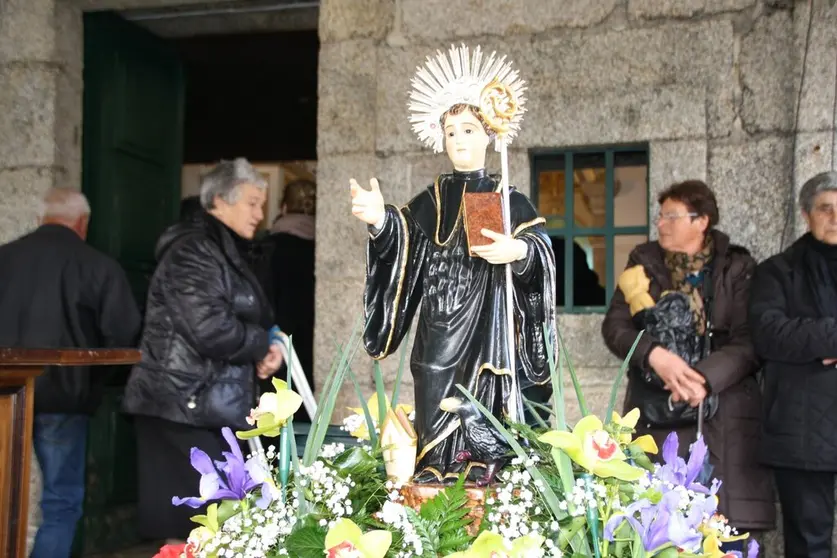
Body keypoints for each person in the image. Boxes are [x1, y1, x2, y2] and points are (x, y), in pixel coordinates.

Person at [349, 45, 557, 484]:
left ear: (489, 136)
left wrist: (518, 253)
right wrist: (379, 218)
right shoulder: (432, 200)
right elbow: (403, 238)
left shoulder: (508, 200)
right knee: (431, 377)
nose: (459, 140)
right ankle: (435, 460)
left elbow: (540, 253)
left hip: (491, 318)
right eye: (450, 132)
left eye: (468, 129)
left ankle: (487, 460)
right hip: (441, 317)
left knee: (489, 381)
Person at [122, 158, 284, 543]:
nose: (260, 215)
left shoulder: (224, 249)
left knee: (214, 531)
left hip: (202, 408)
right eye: (252, 203)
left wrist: (269, 341)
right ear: (220, 202)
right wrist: (262, 344)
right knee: (193, 531)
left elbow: (253, 316)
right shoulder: (194, 250)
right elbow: (209, 329)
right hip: (181, 409)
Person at [601, 180, 775, 535]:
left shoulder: (737, 267)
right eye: (660, 215)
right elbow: (615, 328)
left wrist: (703, 379)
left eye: (671, 216)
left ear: (702, 221)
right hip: (657, 405)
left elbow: (750, 341)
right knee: (657, 527)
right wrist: (655, 355)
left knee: (724, 534)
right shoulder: (643, 263)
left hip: (723, 414)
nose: (660, 224)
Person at [0, 188, 141, 558]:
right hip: (64, 398)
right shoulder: (98, 265)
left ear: (40, 219)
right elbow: (123, 336)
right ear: (83, 223)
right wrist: (94, 385)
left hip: (3, 392)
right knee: (61, 501)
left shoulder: (5, 258)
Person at [749, 171, 837, 558]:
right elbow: (771, 335)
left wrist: (815, 338)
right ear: (806, 214)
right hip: (802, 431)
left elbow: (795, 335)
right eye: (825, 209)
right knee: (808, 544)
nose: (835, 218)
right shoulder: (777, 271)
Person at [260, 179, 317, 418]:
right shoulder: (319, 249)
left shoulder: (265, 248)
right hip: (312, 350)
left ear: (282, 208)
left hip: (274, 348)